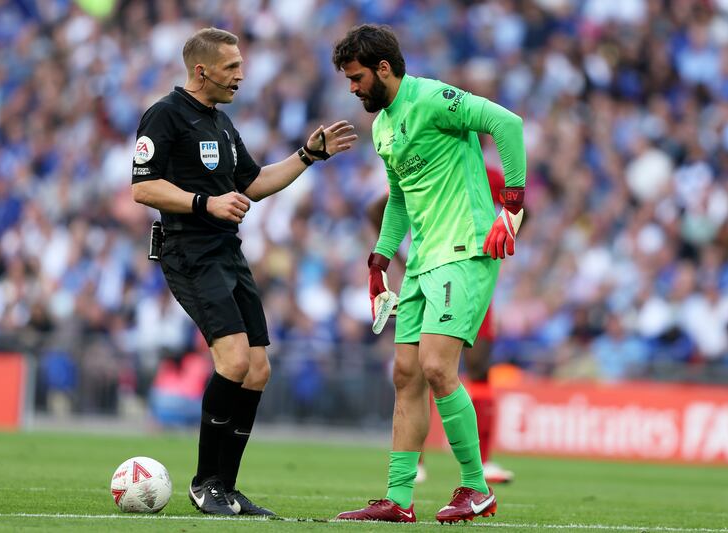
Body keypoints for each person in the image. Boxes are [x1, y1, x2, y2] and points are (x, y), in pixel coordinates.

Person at [131, 27, 356, 517]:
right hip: (188, 251)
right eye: (231, 67)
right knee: (232, 361)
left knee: (257, 370)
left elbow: (253, 183)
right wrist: (204, 202)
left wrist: (307, 155)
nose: (241, 75)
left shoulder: (221, 124)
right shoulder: (165, 115)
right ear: (201, 70)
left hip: (228, 253)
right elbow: (143, 189)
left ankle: (226, 489)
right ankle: (203, 483)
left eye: (241, 65)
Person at [332, 24, 525, 523]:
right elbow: (399, 197)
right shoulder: (382, 127)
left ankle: (475, 488)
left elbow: (507, 124)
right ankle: (398, 499)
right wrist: (378, 260)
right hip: (421, 261)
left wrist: (513, 203)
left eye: (356, 78)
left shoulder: (434, 97)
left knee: (439, 367)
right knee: (406, 375)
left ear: (383, 68)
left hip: (465, 248)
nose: (352, 89)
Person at [365, 167, 515, 486]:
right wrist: (394, 258)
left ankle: (480, 469)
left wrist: (503, 238)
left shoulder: (488, 173)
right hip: (428, 269)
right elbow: (381, 207)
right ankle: (415, 465)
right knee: (421, 368)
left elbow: (519, 205)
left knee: (473, 365)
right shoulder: (426, 160)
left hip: (470, 270)